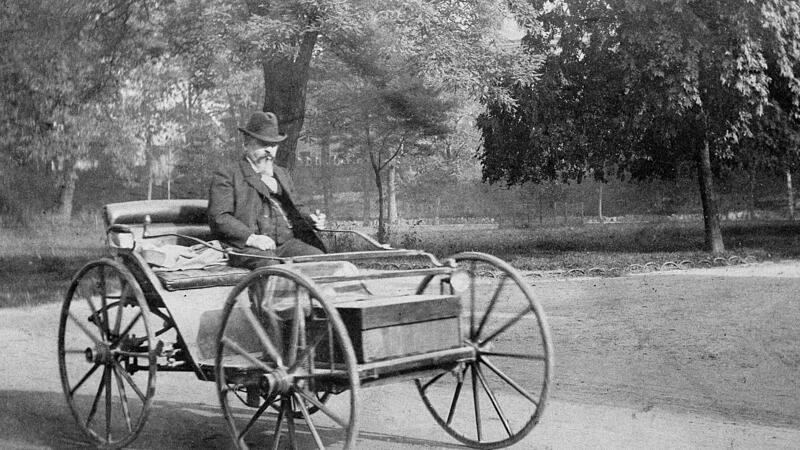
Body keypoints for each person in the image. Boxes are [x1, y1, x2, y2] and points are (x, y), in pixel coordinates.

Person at [208, 111, 325, 269]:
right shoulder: (228, 174)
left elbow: (297, 207)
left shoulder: (281, 174)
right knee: (272, 266)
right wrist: (252, 238)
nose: (270, 151)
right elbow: (219, 217)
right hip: (246, 247)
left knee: (320, 259)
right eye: (263, 144)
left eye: (273, 145)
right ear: (246, 144)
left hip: (285, 245)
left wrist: (311, 218)